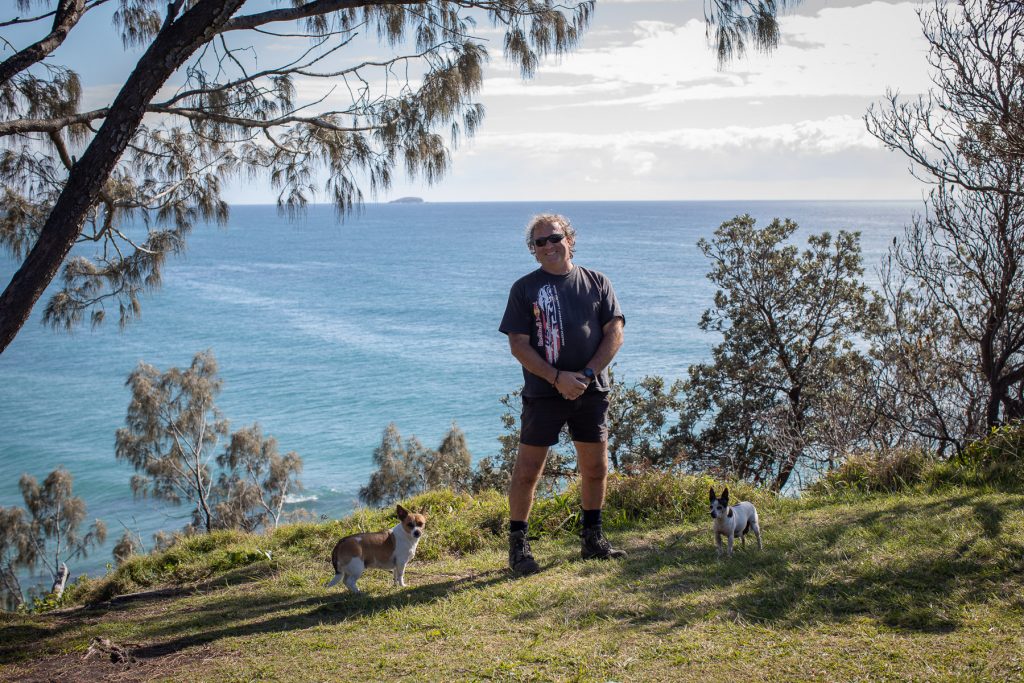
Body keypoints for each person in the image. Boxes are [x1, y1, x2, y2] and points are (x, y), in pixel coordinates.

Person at [498, 213, 626, 575]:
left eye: (555, 238)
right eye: (540, 242)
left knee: (596, 469)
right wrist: (557, 378)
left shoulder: (597, 282)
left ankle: (592, 539)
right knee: (527, 471)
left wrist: (585, 375)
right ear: (533, 251)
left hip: (591, 389)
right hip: (543, 393)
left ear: (569, 238)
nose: (549, 246)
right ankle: (519, 549)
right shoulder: (524, 289)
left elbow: (614, 332)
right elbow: (518, 345)